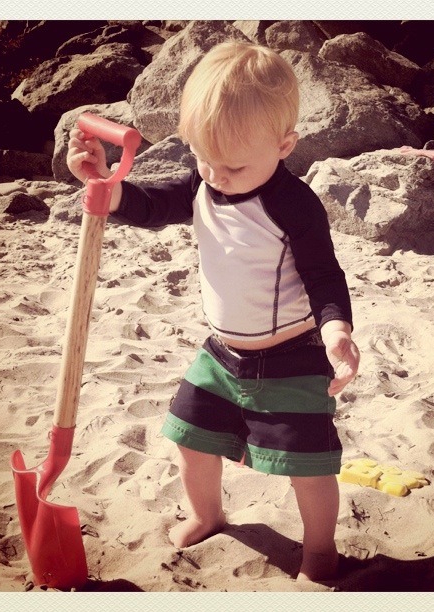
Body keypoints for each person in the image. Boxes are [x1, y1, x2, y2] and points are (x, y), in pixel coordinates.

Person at [67, 40, 360, 582]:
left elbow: (323, 274)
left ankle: (320, 549)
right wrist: (106, 187)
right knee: (188, 437)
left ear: (284, 145)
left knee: (309, 466)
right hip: (222, 355)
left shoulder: (294, 205)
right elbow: (150, 204)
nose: (215, 175)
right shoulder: (202, 184)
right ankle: (208, 515)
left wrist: (336, 328)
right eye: (203, 158)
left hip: (291, 355)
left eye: (233, 164)